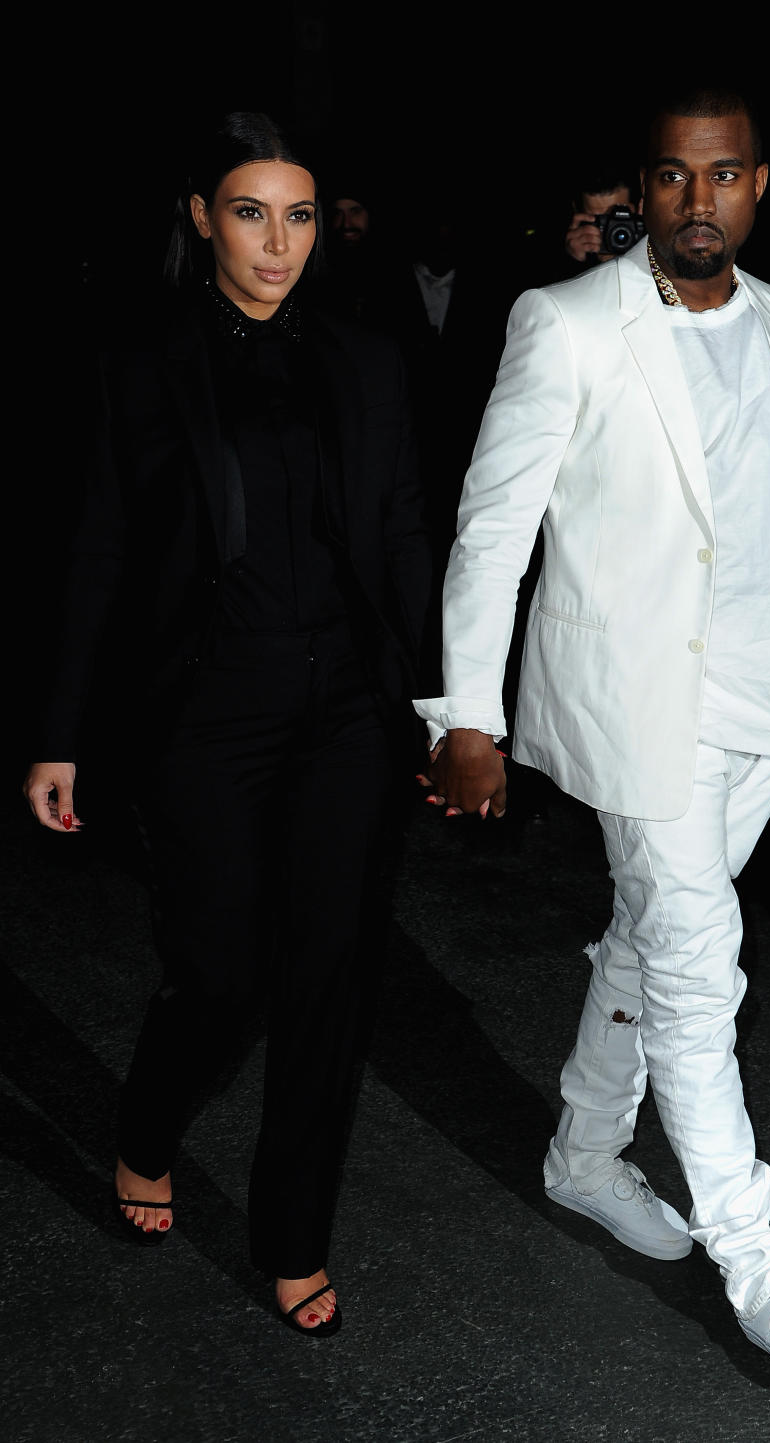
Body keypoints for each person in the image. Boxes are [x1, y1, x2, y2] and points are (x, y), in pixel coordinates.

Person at [415, 87, 770, 1381]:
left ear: (758, 185)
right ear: (646, 186)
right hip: (638, 708)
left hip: (758, 707)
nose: (697, 201)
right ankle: (760, 1262)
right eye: (674, 178)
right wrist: (468, 711)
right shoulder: (567, 323)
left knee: (650, 932)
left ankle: (580, 1151)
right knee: (696, 966)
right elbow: (494, 527)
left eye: (722, 176)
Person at [23, 111, 431, 1337]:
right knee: (221, 972)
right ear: (201, 216)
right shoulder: (139, 360)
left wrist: (448, 705)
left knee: (328, 979)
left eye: (299, 215)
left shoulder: (367, 358)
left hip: (348, 712)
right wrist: (60, 729)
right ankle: (149, 1122)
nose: (277, 242)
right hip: (205, 708)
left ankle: (292, 1234)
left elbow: (409, 534)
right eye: (251, 212)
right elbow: (96, 548)